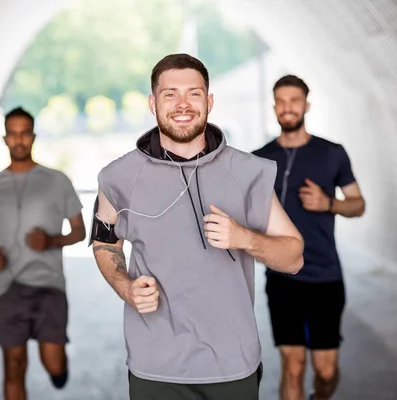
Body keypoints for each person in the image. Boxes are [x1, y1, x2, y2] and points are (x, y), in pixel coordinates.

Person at [90, 54, 304, 400]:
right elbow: (105, 244)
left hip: (232, 365)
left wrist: (245, 238)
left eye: (194, 93)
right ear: (152, 102)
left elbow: (294, 257)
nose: (183, 104)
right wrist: (126, 288)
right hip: (155, 367)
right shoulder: (117, 177)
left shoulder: (248, 172)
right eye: (170, 94)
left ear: (209, 101)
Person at [252, 75, 366, 400]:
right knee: (293, 364)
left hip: (325, 276)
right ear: (274, 106)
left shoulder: (332, 153)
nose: (287, 108)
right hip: (282, 276)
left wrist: (329, 203)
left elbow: (358, 204)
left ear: (307, 105)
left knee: (325, 370)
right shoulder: (257, 160)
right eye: (281, 101)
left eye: (294, 101)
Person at [0, 107, 86, 400]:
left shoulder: (57, 181)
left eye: (25, 134)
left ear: (32, 136)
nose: (19, 140)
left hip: (49, 285)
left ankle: (59, 369)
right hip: (8, 287)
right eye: (13, 134)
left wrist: (51, 241)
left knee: (53, 361)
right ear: (5, 138)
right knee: (14, 365)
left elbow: (79, 231)